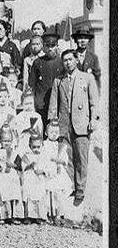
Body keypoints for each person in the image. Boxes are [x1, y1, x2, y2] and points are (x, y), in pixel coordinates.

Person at [47, 49, 99, 204]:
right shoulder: (59, 80)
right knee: (67, 156)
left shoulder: (87, 78)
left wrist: (94, 119)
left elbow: (94, 102)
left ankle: (81, 190)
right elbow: (53, 102)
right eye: (65, 60)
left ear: (76, 60)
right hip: (64, 125)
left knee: (81, 157)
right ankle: (72, 187)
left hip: (82, 124)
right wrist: (52, 121)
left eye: (70, 59)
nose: (68, 63)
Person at [28, 30, 64, 129]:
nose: (50, 49)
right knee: (40, 128)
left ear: (57, 46)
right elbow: (32, 84)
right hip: (41, 103)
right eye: (47, 46)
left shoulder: (61, 62)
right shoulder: (37, 62)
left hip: (57, 102)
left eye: (53, 46)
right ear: (43, 47)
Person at [0, 123, 24, 224]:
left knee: (13, 194)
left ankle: (14, 215)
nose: (7, 143)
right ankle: (3, 216)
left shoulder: (14, 153)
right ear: (0, 141)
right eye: (5, 141)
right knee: (2, 194)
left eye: (9, 141)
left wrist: (13, 165)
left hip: (12, 176)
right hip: (2, 176)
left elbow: (19, 164)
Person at [21, 133, 48, 224]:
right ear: (30, 146)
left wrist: (43, 171)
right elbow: (23, 166)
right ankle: (28, 216)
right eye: (34, 147)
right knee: (29, 195)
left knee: (39, 196)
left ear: (42, 146)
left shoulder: (44, 156)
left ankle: (39, 216)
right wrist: (29, 166)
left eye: (38, 147)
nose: (36, 149)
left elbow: (48, 167)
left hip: (39, 179)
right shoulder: (27, 155)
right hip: (30, 179)